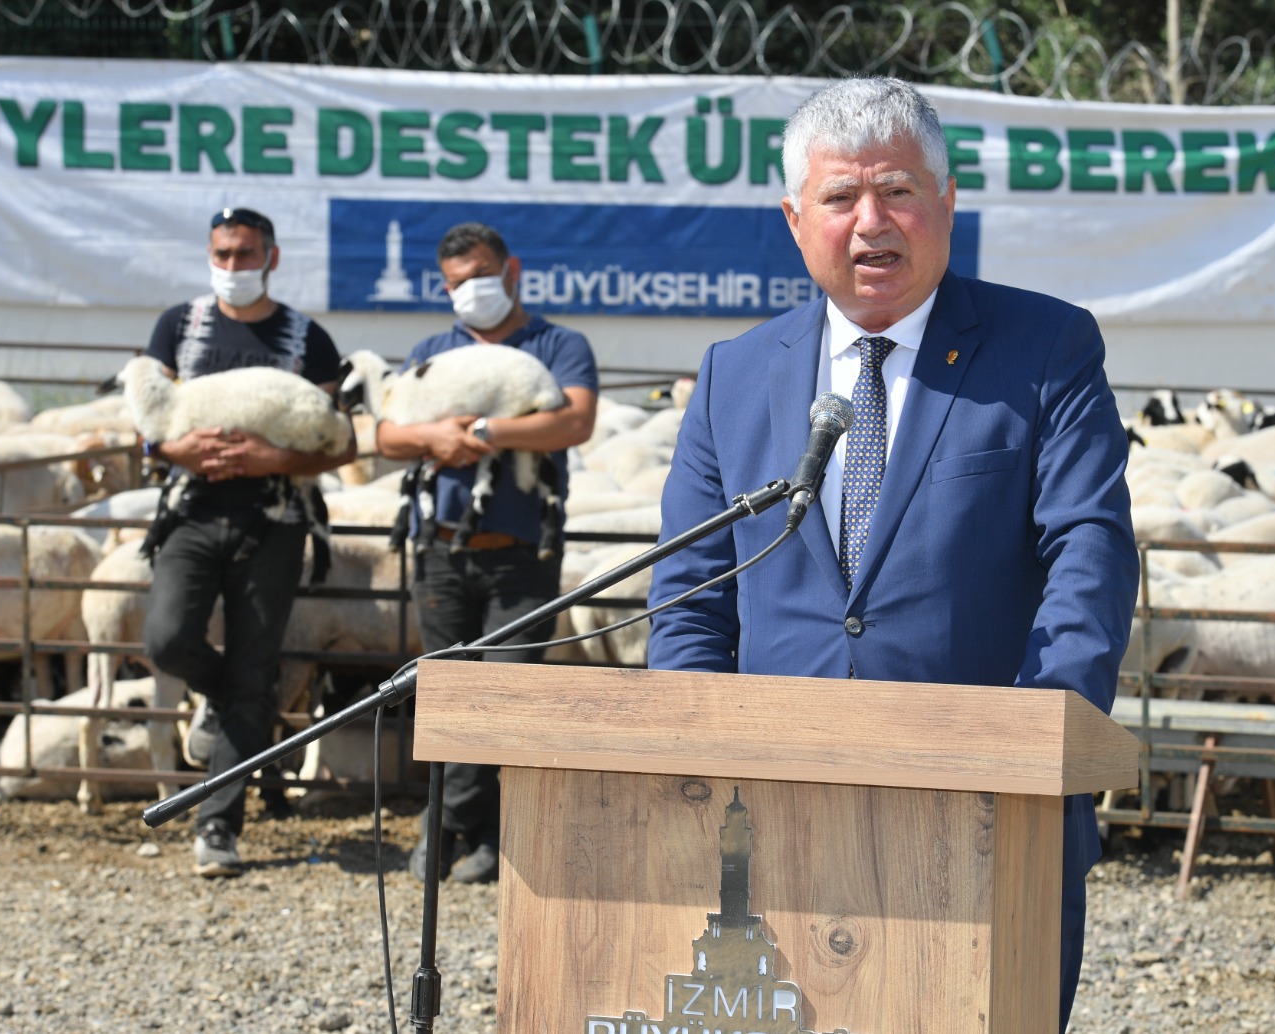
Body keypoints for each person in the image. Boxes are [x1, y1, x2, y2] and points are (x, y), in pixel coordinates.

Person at [646, 78, 1138, 1029]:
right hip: (772, 819)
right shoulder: (732, 374)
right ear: (795, 221)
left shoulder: (1046, 348)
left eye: (900, 191)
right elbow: (691, 597)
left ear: (947, 203)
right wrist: (700, 778)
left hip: (988, 813)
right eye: (840, 197)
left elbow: (1090, 550)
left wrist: (1036, 741)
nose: (872, 221)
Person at [377, 222, 598, 884]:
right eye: (455, 282)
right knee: (448, 691)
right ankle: (476, 832)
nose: (469, 290)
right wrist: (433, 438)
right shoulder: (433, 350)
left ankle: (449, 825)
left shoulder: (558, 345)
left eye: (479, 276)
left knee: (505, 691)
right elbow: (387, 433)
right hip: (442, 551)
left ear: (511, 271)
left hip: (522, 553)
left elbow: (574, 419)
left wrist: (483, 430)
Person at [141, 206, 354, 878]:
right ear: (210, 255)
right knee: (167, 640)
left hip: (276, 519)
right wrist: (174, 450)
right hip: (192, 512)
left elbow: (337, 440)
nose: (233, 265)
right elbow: (148, 421)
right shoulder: (179, 326)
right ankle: (218, 691)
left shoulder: (308, 339)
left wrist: (275, 458)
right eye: (223, 254)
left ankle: (218, 825)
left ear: (271, 258)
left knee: (256, 669)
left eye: (246, 254)